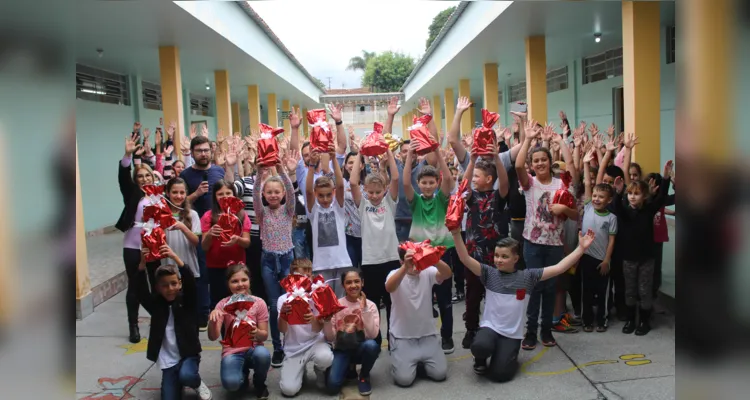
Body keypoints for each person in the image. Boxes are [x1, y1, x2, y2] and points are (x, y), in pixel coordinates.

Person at [451, 230, 596, 383]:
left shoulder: (528, 277)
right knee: (480, 346)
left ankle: (506, 355)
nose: (498, 260)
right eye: (496, 256)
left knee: (500, 375)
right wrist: (455, 233)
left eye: (504, 256)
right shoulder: (489, 273)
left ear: (516, 258)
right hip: (490, 328)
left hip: (511, 335)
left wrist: (581, 248)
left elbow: (559, 268)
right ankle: (480, 359)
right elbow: (465, 258)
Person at [449, 104, 509, 349]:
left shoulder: (497, 196)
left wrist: (495, 156)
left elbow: (505, 181)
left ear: (489, 180)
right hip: (474, 253)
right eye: (473, 177)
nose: (474, 179)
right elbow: (463, 185)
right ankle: (471, 329)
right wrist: (472, 159)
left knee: (496, 295)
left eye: (477, 177)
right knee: (472, 295)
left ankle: (497, 327)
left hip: (497, 255)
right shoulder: (471, 196)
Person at [515, 119, 578, 350]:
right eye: (536, 160)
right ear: (533, 164)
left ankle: (546, 331)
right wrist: (529, 139)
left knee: (550, 287)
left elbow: (575, 214)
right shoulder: (529, 183)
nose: (540, 163)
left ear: (550, 162)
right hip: (532, 244)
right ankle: (530, 332)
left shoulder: (562, 184)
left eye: (544, 160)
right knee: (535, 287)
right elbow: (518, 166)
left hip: (554, 244)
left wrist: (564, 210)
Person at [135, 244, 212, 400]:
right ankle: (178, 382)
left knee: (187, 375)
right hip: (169, 361)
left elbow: (190, 281)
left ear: (180, 284)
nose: (170, 288)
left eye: (174, 283)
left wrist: (175, 257)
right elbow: (141, 291)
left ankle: (196, 383)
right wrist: (142, 264)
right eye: (164, 285)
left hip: (188, 354)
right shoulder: (156, 305)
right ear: (157, 288)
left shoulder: (187, 302)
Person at [403, 138, 457, 354]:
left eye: (431, 182)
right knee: (420, 298)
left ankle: (447, 337)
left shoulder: (442, 200)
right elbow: (405, 182)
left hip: (443, 253)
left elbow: (449, 179)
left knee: (444, 299)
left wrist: (437, 151)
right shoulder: (414, 201)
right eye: (423, 182)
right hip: (419, 255)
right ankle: (420, 335)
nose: (427, 186)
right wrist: (409, 157)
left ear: (436, 183)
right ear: (419, 184)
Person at [612, 160, 672, 336]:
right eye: (630, 193)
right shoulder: (625, 211)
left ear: (644, 196)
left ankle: (644, 321)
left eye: (636, 194)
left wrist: (666, 178)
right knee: (630, 290)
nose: (632, 197)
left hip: (646, 259)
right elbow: (617, 207)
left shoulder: (649, 209)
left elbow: (660, 198)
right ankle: (631, 320)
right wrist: (618, 193)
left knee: (644, 290)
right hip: (629, 259)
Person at [349, 147, 400, 345]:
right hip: (370, 261)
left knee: (392, 303)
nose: (375, 195)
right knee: (372, 303)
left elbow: (395, 179)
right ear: (365, 191)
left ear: (384, 190)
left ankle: (394, 338)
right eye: (370, 192)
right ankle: (375, 338)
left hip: (391, 259)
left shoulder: (389, 202)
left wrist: (389, 155)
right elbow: (353, 182)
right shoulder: (363, 205)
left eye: (378, 192)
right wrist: (360, 154)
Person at [116, 124, 160, 343]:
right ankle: (133, 325)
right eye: (140, 176)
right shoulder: (133, 194)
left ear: (153, 177)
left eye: (147, 176)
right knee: (136, 286)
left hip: (154, 246)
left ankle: (159, 318)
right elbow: (124, 175)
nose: (144, 179)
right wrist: (127, 154)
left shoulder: (159, 197)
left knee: (157, 283)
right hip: (133, 246)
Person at [385, 247, 453, 387]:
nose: (416, 267)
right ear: (401, 262)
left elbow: (447, 274)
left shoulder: (427, 271)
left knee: (440, 374)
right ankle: (404, 360)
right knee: (404, 380)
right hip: (402, 336)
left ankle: (416, 361)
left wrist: (433, 259)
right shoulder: (395, 273)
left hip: (427, 334)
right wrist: (405, 266)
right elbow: (389, 287)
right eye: (412, 263)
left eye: (418, 262)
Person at [253, 164, 296, 368]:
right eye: (269, 192)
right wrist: (260, 174)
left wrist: (279, 167)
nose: (272, 195)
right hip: (269, 261)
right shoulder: (262, 214)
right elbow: (255, 194)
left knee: (287, 302)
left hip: (287, 258)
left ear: (283, 194)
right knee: (273, 305)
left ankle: (290, 344)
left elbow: (289, 187)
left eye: (276, 192)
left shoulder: (288, 210)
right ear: (264, 194)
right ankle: (277, 348)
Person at [208, 264, 271, 399]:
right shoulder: (222, 305)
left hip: (254, 348)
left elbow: (264, 335)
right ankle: (242, 375)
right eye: (234, 281)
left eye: (244, 280)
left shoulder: (259, 303)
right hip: (232, 351)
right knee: (232, 384)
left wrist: (257, 333)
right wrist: (213, 320)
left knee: (263, 354)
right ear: (228, 284)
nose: (240, 284)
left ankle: (259, 383)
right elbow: (213, 337)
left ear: (249, 281)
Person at [277, 259, 334, 396]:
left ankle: (320, 370)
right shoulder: (283, 299)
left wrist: (314, 320)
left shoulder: (317, 296)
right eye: (301, 276)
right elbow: (282, 330)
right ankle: (299, 371)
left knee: (326, 358)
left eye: (308, 276)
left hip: (315, 342)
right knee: (289, 390)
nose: (305, 279)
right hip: (294, 348)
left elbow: (318, 329)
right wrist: (284, 315)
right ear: (291, 277)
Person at [579, 147, 618, 331]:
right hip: (586, 258)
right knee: (586, 292)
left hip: (602, 261)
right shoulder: (587, 207)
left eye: (601, 197)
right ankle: (587, 320)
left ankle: (601, 320)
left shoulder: (611, 218)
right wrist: (586, 163)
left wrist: (607, 260)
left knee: (603, 292)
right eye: (594, 195)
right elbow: (588, 183)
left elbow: (611, 241)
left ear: (609, 200)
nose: (596, 199)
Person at [323, 270, 381, 396]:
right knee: (332, 387)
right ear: (343, 285)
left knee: (372, 346)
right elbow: (330, 337)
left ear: (362, 283)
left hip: (361, 347)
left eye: (356, 281)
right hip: (341, 349)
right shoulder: (336, 305)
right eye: (348, 282)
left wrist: (364, 310)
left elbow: (372, 335)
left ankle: (364, 375)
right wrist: (327, 321)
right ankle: (348, 368)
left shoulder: (370, 305)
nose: (353, 285)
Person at [305, 143, 351, 296]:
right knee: (324, 304)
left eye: (328, 195)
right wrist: (311, 164)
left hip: (342, 261)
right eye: (320, 195)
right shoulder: (314, 210)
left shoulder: (338, 208)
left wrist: (334, 159)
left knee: (341, 302)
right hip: (321, 264)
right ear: (316, 194)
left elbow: (340, 185)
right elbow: (308, 191)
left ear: (333, 193)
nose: (325, 199)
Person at [162, 177, 208, 328]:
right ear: (167, 193)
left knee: (189, 307)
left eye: (182, 192)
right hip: (168, 268)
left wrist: (182, 227)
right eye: (175, 192)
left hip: (189, 267)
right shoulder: (161, 214)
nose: (179, 196)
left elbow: (196, 242)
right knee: (170, 309)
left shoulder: (192, 215)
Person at [201, 180, 251, 308]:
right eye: (220, 194)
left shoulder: (242, 215)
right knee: (217, 302)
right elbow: (204, 247)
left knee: (238, 302)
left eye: (228, 193)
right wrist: (211, 234)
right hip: (215, 266)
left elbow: (247, 243)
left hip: (237, 267)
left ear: (234, 195)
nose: (225, 197)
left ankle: (239, 327)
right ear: (214, 197)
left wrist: (237, 240)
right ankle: (218, 327)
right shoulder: (208, 216)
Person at [342, 152, 366, 268]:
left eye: (357, 162)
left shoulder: (368, 184)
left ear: (362, 165)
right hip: (349, 235)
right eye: (350, 162)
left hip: (367, 236)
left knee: (366, 272)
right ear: (345, 166)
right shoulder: (342, 184)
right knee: (351, 270)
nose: (353, 165)